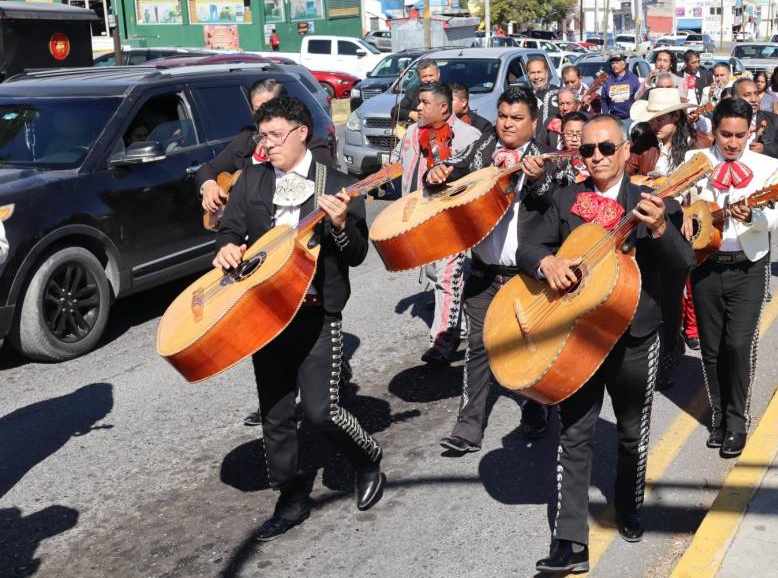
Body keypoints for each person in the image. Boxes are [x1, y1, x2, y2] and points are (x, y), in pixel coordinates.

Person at [521, 114, 694, 574]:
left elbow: (682, 265)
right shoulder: (565, 197)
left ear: (624, 152)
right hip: (577, 334)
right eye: (587, 151)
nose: (595, 157)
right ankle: (569, 541)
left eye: (605, 149)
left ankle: (628, 504)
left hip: (636, 334)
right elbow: (529, 247)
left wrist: (658, 230)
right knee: (573, 434)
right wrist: (548, 263)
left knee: (631, 431)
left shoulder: (651, 200)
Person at [213, 95, 385, 541]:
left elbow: (358, 254)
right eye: (262, 136)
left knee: (321, 411)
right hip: (264, 314)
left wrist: (344, 224)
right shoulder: (252, 179)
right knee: (275, 412)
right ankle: (291, 497)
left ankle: (367, 458)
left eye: (274, 136)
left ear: (300, 133)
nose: (265, 145)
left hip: (315, 313)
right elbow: (232, 229)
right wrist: (227, 247)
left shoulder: (340, 184)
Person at [425, 86, 552, 454]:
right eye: (502, 116)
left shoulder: (549, 156)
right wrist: (437, 173)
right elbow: (449, 173)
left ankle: (536, 406)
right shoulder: (483, 146)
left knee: (529, 347)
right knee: (479, 345)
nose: (507, 125)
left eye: (516, 118)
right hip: (483, 270)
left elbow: (555, 205)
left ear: (534, 121)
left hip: (527, 277)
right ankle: (468, 427)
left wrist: (539, 179)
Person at [686, 98, 778, 458]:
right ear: (713, 132)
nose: (731, 143)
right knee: (711, 350)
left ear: (751, 131)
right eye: (725, 134)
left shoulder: (767, 166)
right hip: (705, 265)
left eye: (739, 135)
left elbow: (775, 218)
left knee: (738, 345)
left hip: (748, 265)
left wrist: (750, 218)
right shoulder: (694, 163)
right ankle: (718, 415)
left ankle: (737, 419)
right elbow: (679, 205)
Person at [397, 82, 484, 364]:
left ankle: (443, 340)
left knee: (447, 277)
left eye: (423, 102)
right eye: (418, 102)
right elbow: (399, 166)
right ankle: (472, 315)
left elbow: (479, 181)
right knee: (437, 275)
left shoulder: (470, 136)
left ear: (444, 107)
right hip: (418, 218)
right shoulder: (412, 133)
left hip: (452, 221)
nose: (418, 107)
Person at [628, 88, 699, 388]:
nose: (656, 124)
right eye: (653, 118)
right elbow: (625, 174)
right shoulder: (643, 145)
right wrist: (643, 181)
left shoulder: (697, 148)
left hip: (678, 227)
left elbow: (704, 191)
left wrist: (689, 207)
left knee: (673, 297)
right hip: (646, 227)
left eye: (663, 119)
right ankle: (663, 349)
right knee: (651, 293)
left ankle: (670, 353)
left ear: (677, 117)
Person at [198, 79, 336, 217]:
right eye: (257, 111)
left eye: (269, 108)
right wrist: (209, 186)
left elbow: (319, 189)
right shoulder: (245, 141)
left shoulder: (310, 144)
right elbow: (207, 169)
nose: (262, 116)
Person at [734, 78, 778, 164]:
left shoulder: (775, 120)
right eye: (747, 95)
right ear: (735, 98)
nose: (754, 99)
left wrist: (765, 149)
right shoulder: (727, 120)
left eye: (756, 94)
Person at [599, 54, 641, 124]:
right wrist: (605, 116)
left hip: (630, 118)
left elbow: (639, 97)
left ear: (623, 64)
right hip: (614, 118)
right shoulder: (607, 79)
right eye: (612, 63)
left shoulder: (633, 78)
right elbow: (604, 100)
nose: (615, 65)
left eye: (617, 63)